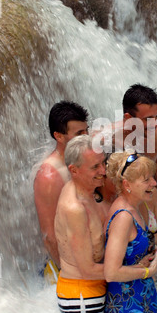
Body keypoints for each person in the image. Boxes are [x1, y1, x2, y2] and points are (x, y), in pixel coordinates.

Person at [104, 151, 157, 313]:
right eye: (146, 180)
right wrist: (148, 271)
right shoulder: (123, 216)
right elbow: (111, 273)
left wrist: (156, 260)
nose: (154, 183)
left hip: (143, 300)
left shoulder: (134, 209)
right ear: (127, 184)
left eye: (152, 178)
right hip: (128, 311)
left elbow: (129, 258)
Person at [112, 84, 157, 248]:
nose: (155, 123)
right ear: (129, 119)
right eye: (148, 119)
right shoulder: (111, 142)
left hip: (149, 217)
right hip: (121, 221)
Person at [55, 135, 107, 313]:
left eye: (103, 163)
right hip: (83, 300)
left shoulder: (83, 189)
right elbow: (87, 269)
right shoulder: (75, 208)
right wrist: (139, 271)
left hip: (87, 293)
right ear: (74, 170)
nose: (103, 171)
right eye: (95, 167)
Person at [34, 101, 89, 271]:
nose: (87, 137)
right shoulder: (49, 176)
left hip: (86, 255)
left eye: (87, 130)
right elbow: (49, 236)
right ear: (59, 136)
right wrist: (69, 272)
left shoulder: (84, 157)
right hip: (61, 265)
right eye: (79, 133)